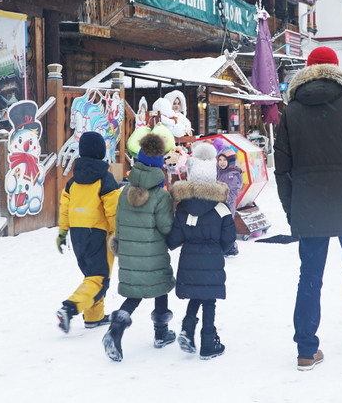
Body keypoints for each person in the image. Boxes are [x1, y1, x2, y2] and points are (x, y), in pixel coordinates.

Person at [274, 45, 342, 372]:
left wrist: (291, 209)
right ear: (337, 70)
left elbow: (282, 168)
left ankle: (306, 349)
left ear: (307, 71)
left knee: (309, 276)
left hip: (309, 204)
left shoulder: (292, 110)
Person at [102, 133, 176, 362]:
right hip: (153, 253)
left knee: (135, 292)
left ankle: (116, 329)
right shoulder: (161, 195)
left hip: (129, 252)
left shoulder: (125, 192)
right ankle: (161, 334)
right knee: (160, 287)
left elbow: (119, 223)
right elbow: (165, 227)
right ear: (159, 166)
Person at [167, 142, 237, 360]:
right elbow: (229, 239)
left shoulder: (184, 207)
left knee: (197, 293)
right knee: (209, 300)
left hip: (189, 258)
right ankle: (208, 342)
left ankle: (188, 329)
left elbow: (175, 238)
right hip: (213, 259)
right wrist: (218, 250)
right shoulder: (222, 208)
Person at [56, 131, 120, 333]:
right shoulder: (105, 178)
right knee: (99, 277)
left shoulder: (73, 181)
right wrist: (119, 233)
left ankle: (94, 317)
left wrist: (62, 232)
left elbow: (64, 207)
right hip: (98, 234)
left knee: (91, 275)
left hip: (77, 235)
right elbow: (113, 210)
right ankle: (70, 307)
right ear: (102, 152)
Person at [216, 147, 243, 257]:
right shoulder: (221, 170)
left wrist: (223, 200)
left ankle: (231, 248)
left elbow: (233, 193)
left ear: (230, 161)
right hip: (220, 203)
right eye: (220, 159)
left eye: (225, 160)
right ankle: (224, 246)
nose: (222, 162)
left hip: (227, 205)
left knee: (226, 227)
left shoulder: (232, 174)